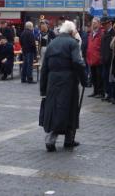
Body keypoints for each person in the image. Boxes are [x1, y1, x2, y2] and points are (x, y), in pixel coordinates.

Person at [40, 20, 86, 152]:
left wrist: (43, 88)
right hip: (69, 80)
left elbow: (44, 68)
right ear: (71, 31)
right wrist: (84, 79)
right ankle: (61, 139)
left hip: (52, 80)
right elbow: (78, 61)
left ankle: (63, 139)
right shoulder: (73, 43)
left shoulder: (52, 43)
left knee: (55, 108)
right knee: (70, 109)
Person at [86, 18, 103, 98]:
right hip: (91, 58)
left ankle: (100, 92)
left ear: (99, 24)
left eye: (95, 23)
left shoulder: (101, 33)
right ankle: (95, 91)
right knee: (93, 77)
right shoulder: (91, 33)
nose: (93, 24)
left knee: (99, 77)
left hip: (98, 59)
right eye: (92, 23)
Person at [100, 17, 115, 102]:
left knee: (111, 78)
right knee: (105, 77)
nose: (103, 26)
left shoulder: (113, 33)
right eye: (103, 24)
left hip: (110, 60)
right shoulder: (104, 33)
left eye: (104, 24)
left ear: (109, 23)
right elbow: (102, 47)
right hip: (104, 59)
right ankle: (108, 94)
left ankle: (112, 95)